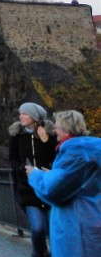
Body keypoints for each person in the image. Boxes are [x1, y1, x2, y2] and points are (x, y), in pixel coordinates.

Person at [25, 110, 101, 257]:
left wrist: (35, 175)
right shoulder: (93, 149)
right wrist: (53, 174)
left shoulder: (75, 153)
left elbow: (53, 191)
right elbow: (79, 181)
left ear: (66, 130)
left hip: (76, 224)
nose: (54, 130)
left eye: (57, 127)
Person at [9, 102, 57, 257]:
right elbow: (13, 158)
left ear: (34, 117)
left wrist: (45, 140)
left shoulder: (50, 134)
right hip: (27, 188)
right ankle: (39, 253)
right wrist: (22, 169)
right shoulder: (17, 135)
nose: (20, 116)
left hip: (49, 187)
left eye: (24, 113)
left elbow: (57, 157)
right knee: (37, 227)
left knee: (53, 227)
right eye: (20, 113)